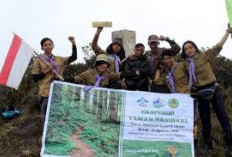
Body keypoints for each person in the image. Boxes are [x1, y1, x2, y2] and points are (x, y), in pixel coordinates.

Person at [181, 25, 232, 150]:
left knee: (222, 115)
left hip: (213, 89)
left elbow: (218, 46)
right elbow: (184, 77)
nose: (188, 50)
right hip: (200, 92)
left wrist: (227, 31)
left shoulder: (204, 55)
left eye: (190, 47)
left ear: (195, 48)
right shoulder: (185, 64)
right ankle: (207, 143)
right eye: (186, 49)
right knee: (205, 118)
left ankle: (229, 139)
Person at [32, 36, 77, 121]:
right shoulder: (38, 60)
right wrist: (46, 71)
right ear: (42, 48)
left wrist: (73, 44)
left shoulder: (59, 59)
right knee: (46, 117)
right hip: (46, 93)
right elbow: (35, 78)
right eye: (45, 45)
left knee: (58, 116)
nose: (48, 46)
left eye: (50, 44)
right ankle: (46, 134)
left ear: (53, 46)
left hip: (59, 92)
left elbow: (74, 57)